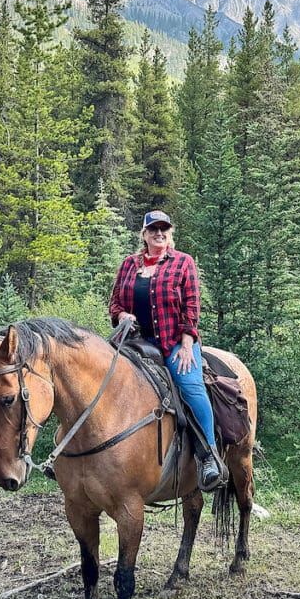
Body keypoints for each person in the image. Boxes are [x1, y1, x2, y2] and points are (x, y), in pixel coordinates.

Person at [109, 209, 225, 491]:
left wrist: (187, 344)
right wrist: (122, 316)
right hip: (133, 342)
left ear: (170, 233)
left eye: (164, 229)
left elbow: (192, 307)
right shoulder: (129, 264)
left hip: (174, 342)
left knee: (191, 385)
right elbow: (115, 303)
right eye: (153, 229)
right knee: (99, 376)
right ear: (144, 234)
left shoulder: (183, 262)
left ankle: (208, 456)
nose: (158, 234)